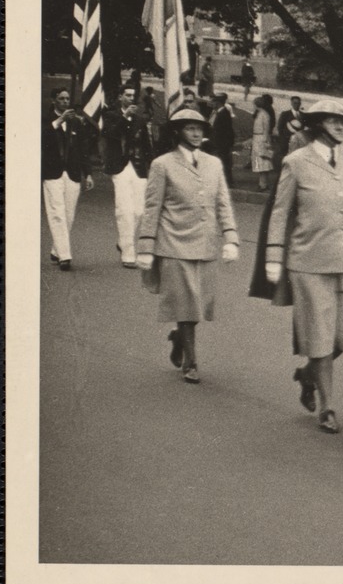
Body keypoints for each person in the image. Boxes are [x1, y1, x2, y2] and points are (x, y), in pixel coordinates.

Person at [263, 100, 343, 434]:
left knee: (342, 338)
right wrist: (273, 254)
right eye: (333, 120)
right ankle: (327, 406)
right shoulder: (296, 162)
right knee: (320, 338)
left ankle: (307, 374)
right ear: (317, 124)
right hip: (309, 263)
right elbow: (280, 212)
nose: (341, 126)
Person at [135, 108, 240, 384]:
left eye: (200, 128)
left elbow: (222, 203)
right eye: (190, 128)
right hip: (174, 242)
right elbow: (152, 207)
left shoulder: (214, 164)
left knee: (200, 303)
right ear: (177, 131)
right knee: (186, 302)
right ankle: (191, 362)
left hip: (206, 241)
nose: (196, 133)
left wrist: (230, 236)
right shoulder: (163, 164)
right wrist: (146, 245)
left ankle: (180, 336)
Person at [41, 88, 95, 271]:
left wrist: (87, 173)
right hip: (52, 173)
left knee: (69, 215)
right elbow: (41, 139)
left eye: (67, 99)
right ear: (54, 100)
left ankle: (56, 250)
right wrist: (58, 121)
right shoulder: (46, 120)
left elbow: (83, 150)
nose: (65, 102)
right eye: (61, 99)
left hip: (72, 173)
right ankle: (65, 256)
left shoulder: (76, 123)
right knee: (57, 212)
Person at [102, 84, 154, 268]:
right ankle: (128, 253)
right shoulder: (110, 115)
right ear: (120, 97)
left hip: (139, 167)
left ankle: (123, 241)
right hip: (120, 166)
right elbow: (111, 134)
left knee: (139, 210)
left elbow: (146, 145)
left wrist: (152, 165)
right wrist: (125, 117)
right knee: (124, 209)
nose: (131, 98)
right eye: (127, 95)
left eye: (133, 95)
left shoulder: (140, 119)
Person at [205, 92, 235, 185]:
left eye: (213, 102)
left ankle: (228, 183)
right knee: (222, 163)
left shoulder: (223, 114)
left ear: (218, 103)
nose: (212, 104)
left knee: (224, 163)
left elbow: (225, 131)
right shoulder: (220, 112)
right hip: (218, 142)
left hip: (221, 143)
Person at [250, 94, 276, 191]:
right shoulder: (258, 113)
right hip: (257, 138)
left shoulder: (265, 115)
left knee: (263, 162)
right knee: (258, 162)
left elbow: (266, 129)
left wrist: (265, 142)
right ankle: (261, 183)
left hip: (261, 139)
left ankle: (263, 184)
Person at [276, 96, 305, 163]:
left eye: (298, 103)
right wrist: (283, 139)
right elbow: (280, 127)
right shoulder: (285, 114)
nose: (297, 105)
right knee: (285, 156)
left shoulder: (303, 115)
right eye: (295, 103)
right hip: (286, 140)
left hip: (298, 140)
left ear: (300, 104)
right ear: (291, 103)